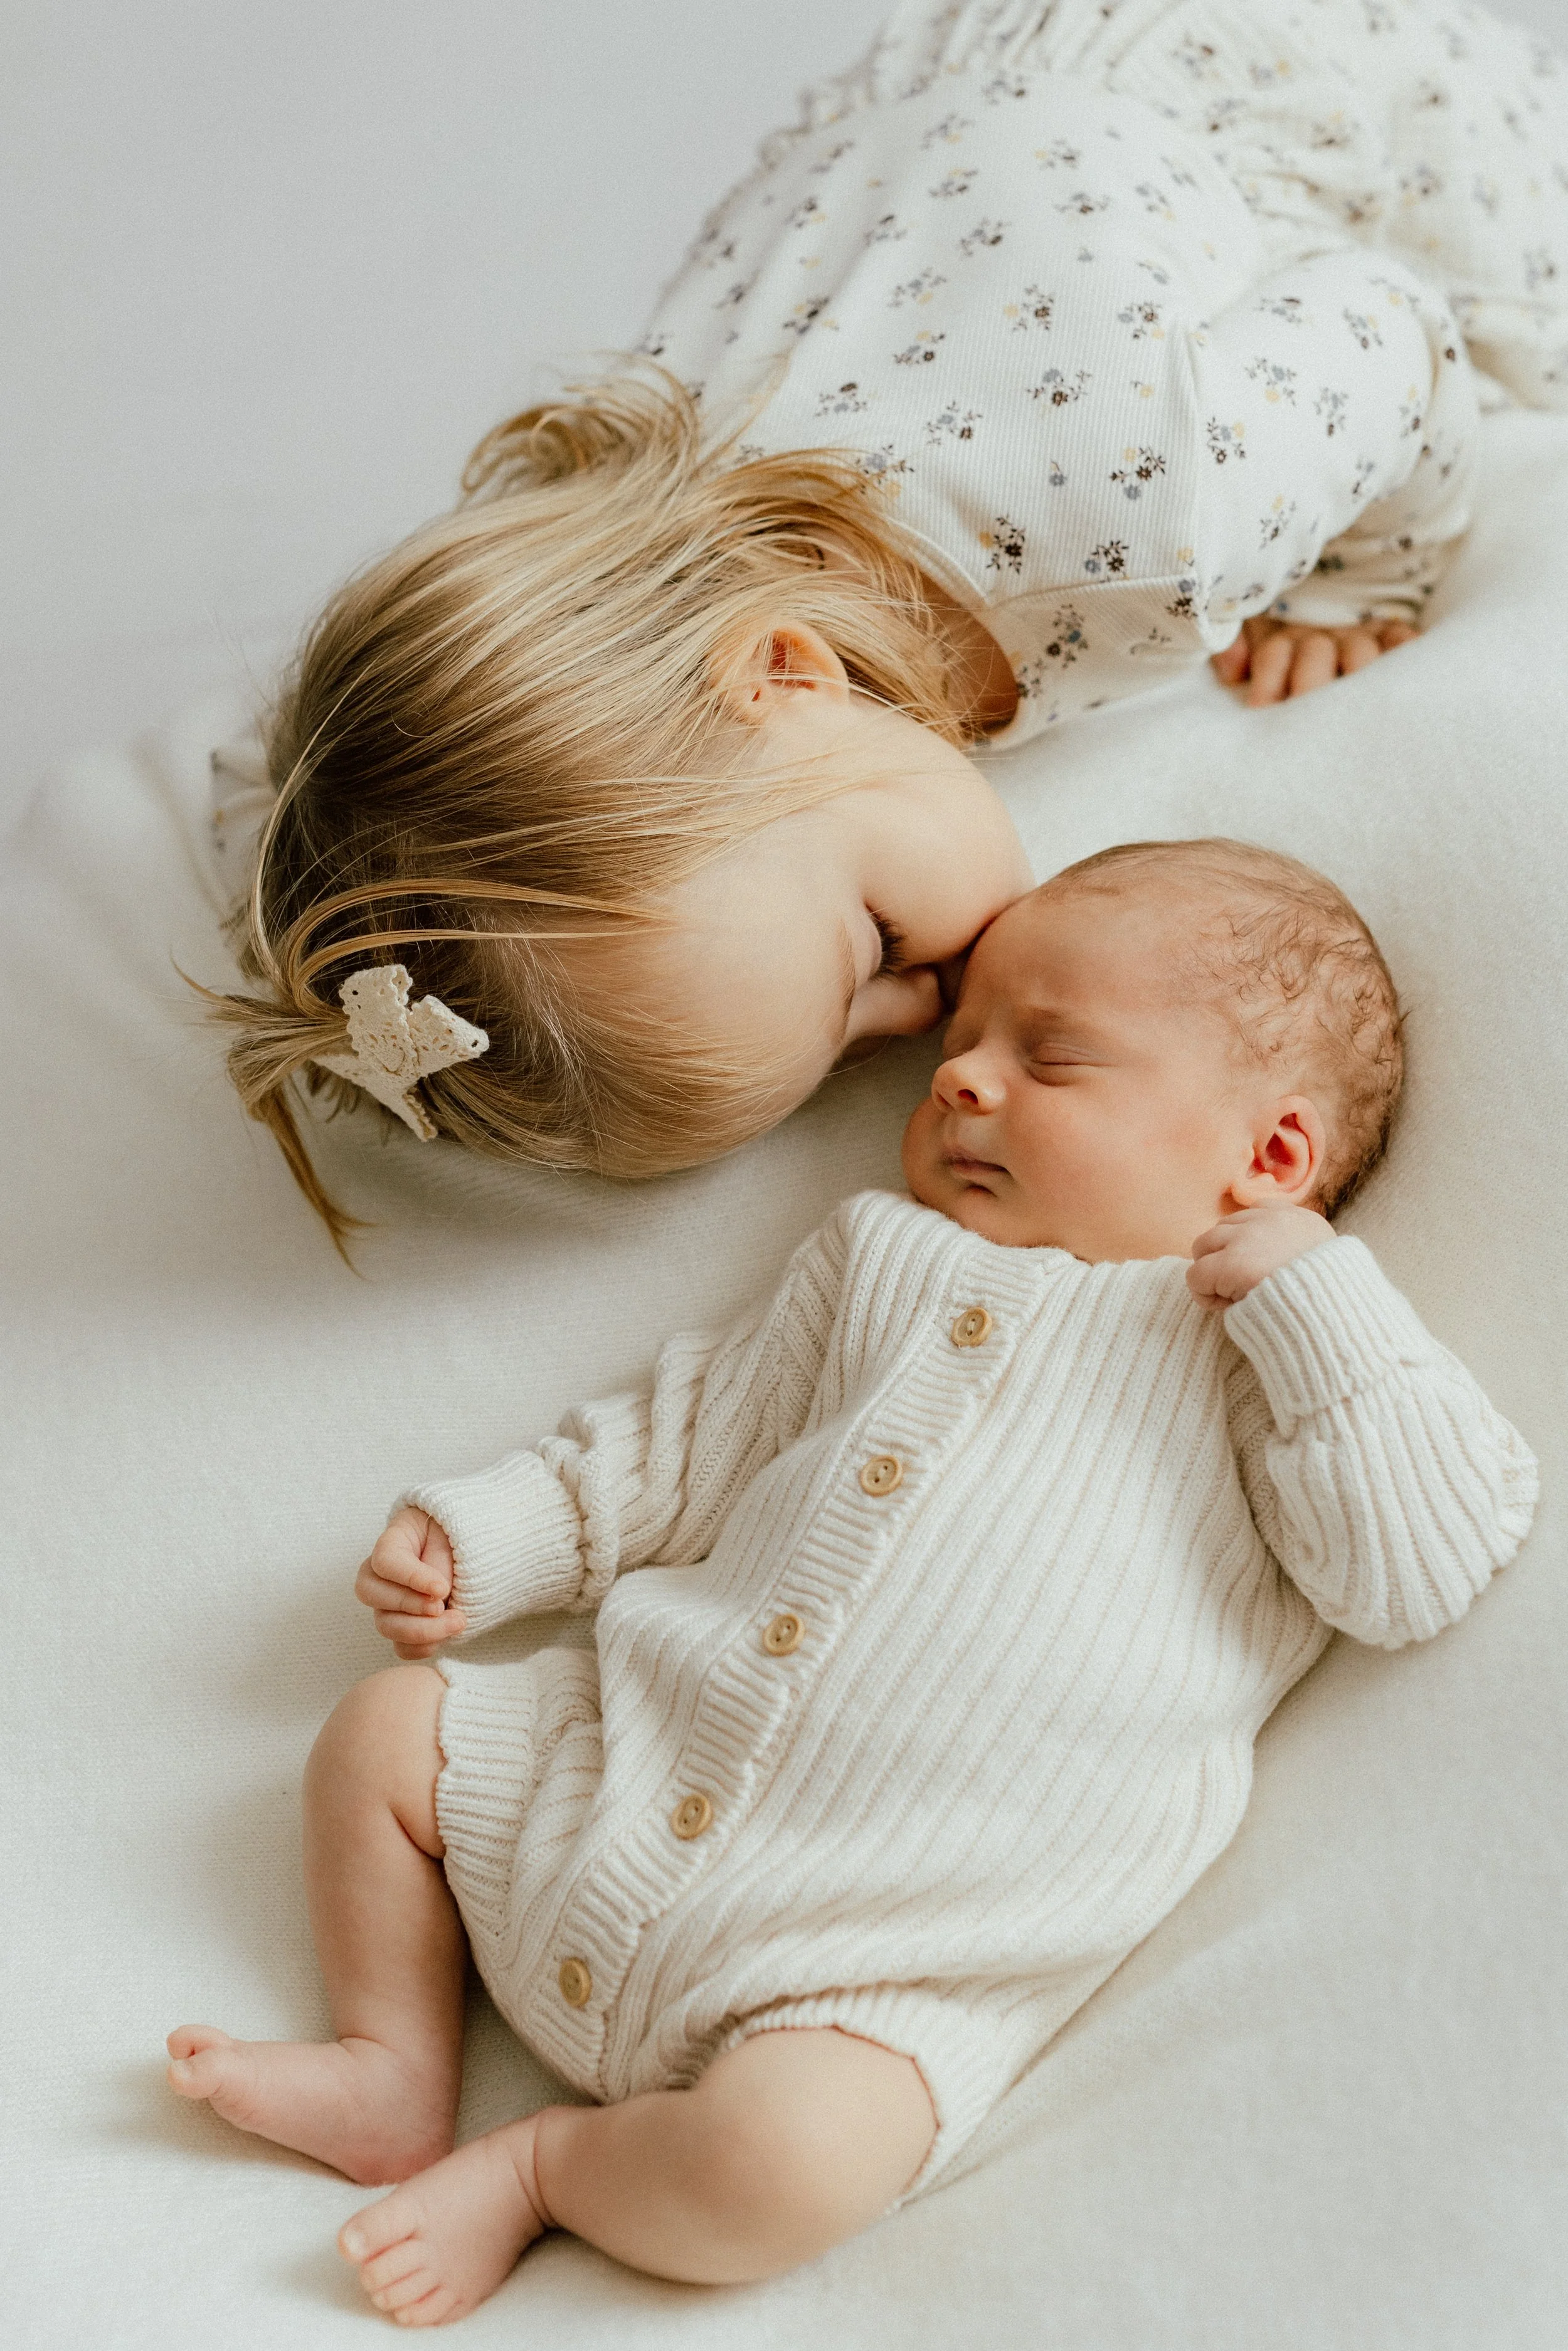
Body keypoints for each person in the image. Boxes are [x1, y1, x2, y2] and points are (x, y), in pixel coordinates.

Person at [168, 839, 1537, 2326]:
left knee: (780, 2169)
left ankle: (548, 2169)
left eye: (1051, 1058)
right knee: (380, 1735)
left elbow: (1415, 1570)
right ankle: (390, 2063)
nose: (959, 1081)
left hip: (875, 1961)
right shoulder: (877, 1258)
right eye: (959, 1045)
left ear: (1268, 1156)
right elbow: (685, 1440)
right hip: (613, 1772)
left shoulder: (1272, 1356)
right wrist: (497, 1536)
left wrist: (1316, 1304)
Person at [207, 0, 1568, 1247]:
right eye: (855, 1039)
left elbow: (1393, 332)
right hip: (959, 141)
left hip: (1293, 76)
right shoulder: (595, 556)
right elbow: (332, 776)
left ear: (786, 671)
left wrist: (1361, 575)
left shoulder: (1150, 524)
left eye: (874, 949)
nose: (925, 1022)